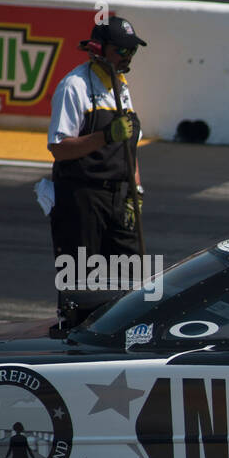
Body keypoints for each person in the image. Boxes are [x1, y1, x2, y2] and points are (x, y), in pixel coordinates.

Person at [47, 15, 145, 277]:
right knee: (81, 281)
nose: (128, 56)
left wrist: (136, 190)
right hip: (82, 199)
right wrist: (105, 136)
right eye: (121, 50)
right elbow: (59, 148)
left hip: (119, 198)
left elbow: (130, 148)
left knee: (131, 281)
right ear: (98, 49)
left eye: (132, 50)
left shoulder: (121, 86)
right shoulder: (74, 86)